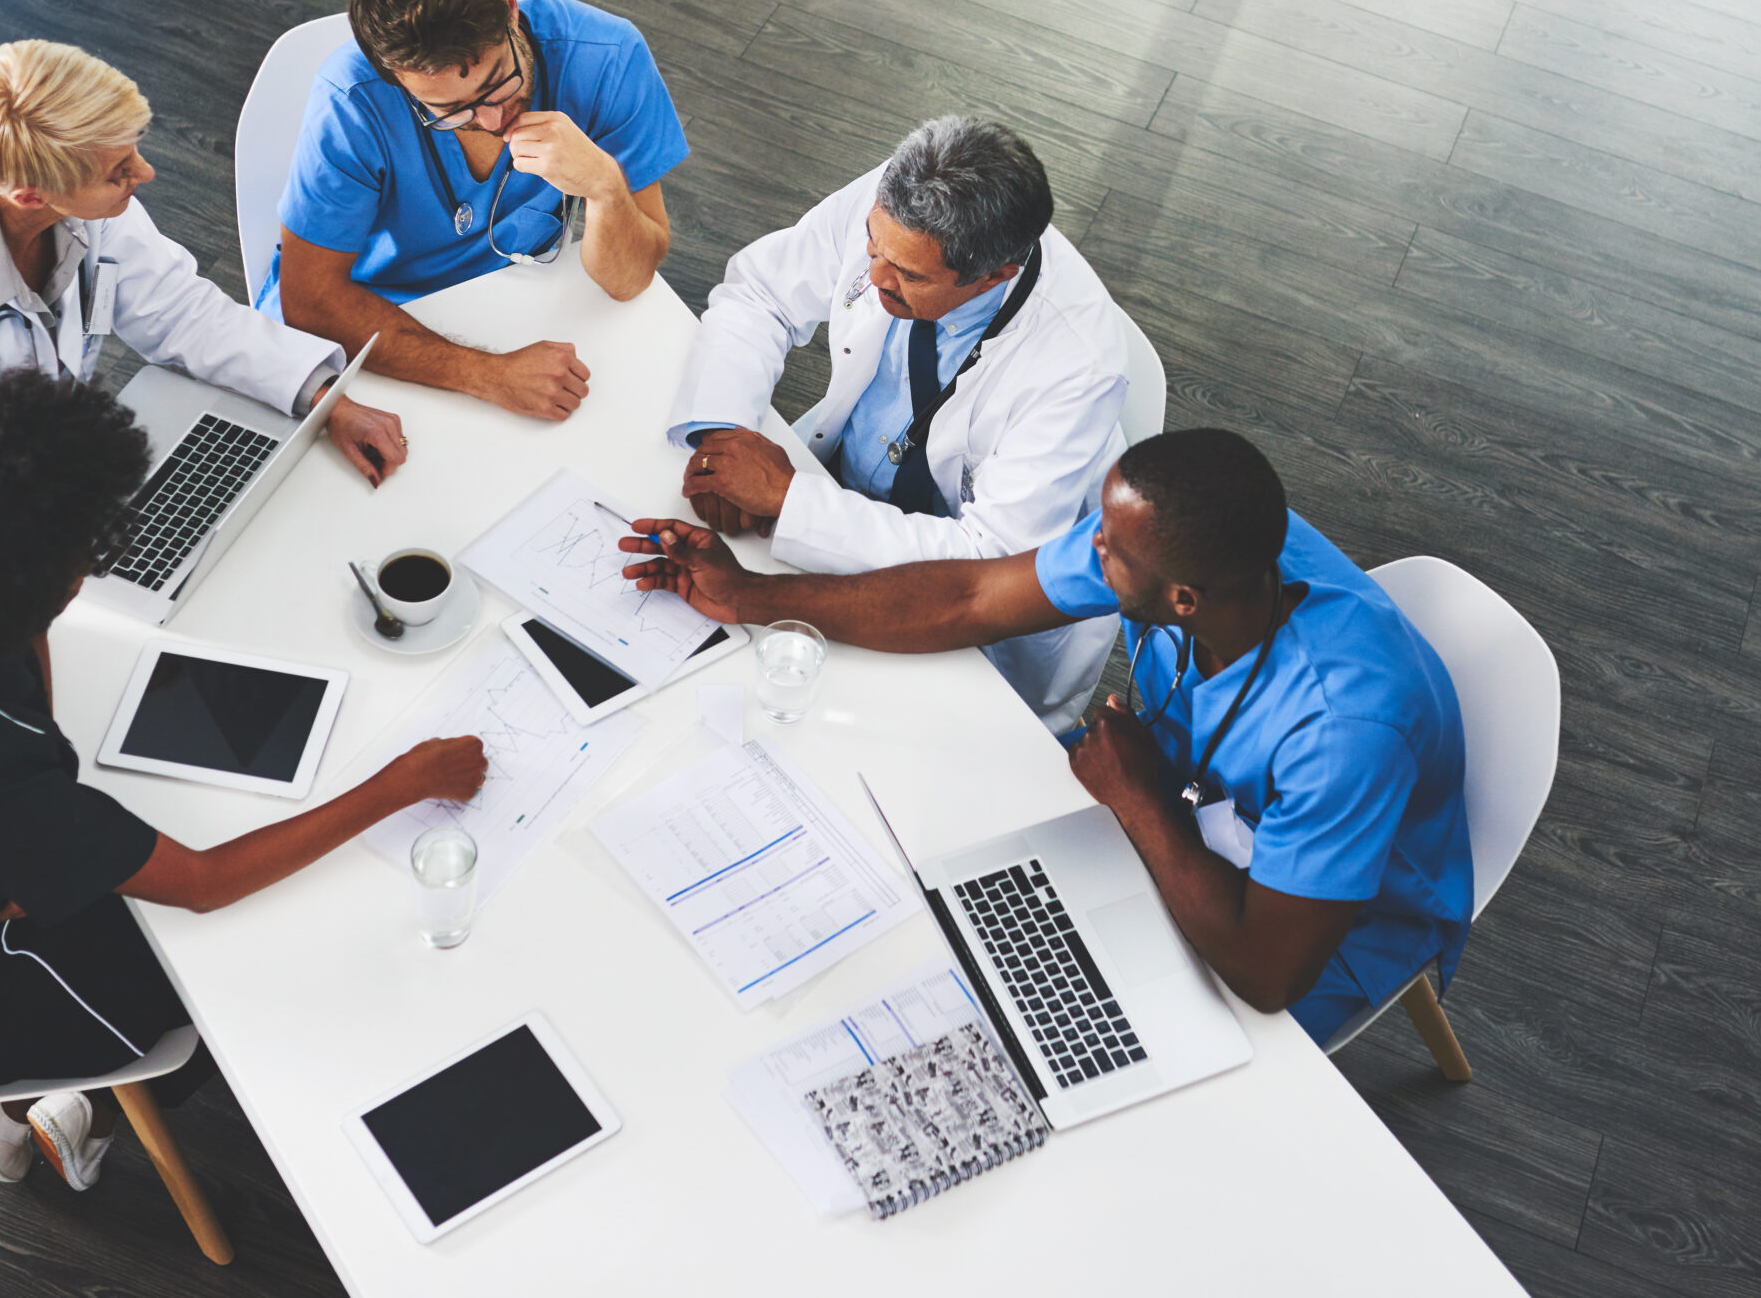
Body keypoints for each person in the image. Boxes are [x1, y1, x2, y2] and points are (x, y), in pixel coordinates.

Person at [0, 369, 487, 1186]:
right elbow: (201, 881)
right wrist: (402, 783)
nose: (89, 570)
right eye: (76, 560)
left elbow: (29, 645)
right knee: (215, 975)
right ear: (9, 590)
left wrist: (37, 794)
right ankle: (21, 1115)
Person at [618, 427, 1472, 1044]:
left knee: (1042, 1040)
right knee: (937, 929)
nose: (1085, 550)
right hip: (1165, 818)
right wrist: (754, 599)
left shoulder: (1345, 727)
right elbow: (970, 598)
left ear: (1183, 600)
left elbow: (1268, 975)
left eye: (1105, 552)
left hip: (1321, 934)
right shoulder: (1193, 550)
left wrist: (1138, 800)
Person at [0, 40, 410, 674]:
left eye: (134, 152)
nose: (144, 175)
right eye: (119, 171)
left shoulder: (77, 198)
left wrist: (325, 398)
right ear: (30, 194)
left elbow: (179, 310)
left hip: (42, 506)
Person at [665, 117, 1129, 735]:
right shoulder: (896, 207)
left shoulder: (1078, 366)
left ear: (997, 276)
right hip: (843, 497)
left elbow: (987, 566)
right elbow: (761, 295)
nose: (874, 276)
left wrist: (790, 499)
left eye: (909, 275)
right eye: (871, 248)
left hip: (961, 592)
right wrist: (724, 436)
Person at [262, 0, 685, 422]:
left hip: (503, 310)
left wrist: (604, 187)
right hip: (362, 329)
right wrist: (487, 374)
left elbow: (629, 282)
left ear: (510, 9)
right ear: (395, 80)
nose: (489, 120)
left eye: (497, 83)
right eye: (449, 111)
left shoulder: (608, 57)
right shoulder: (353, 99)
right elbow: (311, 300)